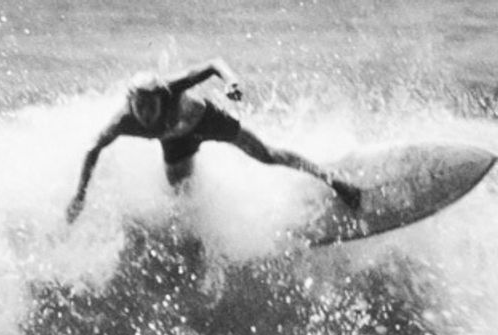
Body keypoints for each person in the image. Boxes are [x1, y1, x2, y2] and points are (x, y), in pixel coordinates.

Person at [65, 58, 362, 223]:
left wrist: (231, 81)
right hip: (176, 144)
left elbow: (213, 64)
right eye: (138, 105)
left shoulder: (171, 88)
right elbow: (93, 149)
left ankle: (337, 182)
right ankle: (204, 243)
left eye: (150, 105)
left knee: (267, 155)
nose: (144, 113)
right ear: (130, 101)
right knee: (183, 197)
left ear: (161, 97)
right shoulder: (123, 121)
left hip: (207, 122)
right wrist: (80, 195)